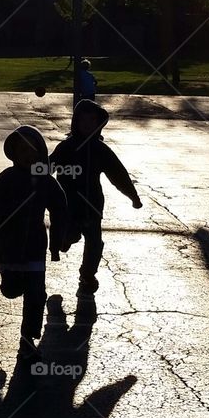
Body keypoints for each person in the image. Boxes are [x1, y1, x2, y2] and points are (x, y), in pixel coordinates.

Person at [0, 126, 68, 363]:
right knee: (12, 290)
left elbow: (60, 209)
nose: (26, 155)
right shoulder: (7, 177)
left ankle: (28, 338)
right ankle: (10, 284)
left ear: (40, 153)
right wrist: (11, 207)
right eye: (21, 150)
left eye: (32, 150)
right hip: (8, 245)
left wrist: (58, 241)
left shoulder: (45, 181)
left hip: (34, 246)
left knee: (36, 293)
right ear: (13, 153)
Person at [51, 99, 142, 295]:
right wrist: (31, 180)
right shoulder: (66, 148)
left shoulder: (101, 151)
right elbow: (47, 168)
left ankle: (87, 274)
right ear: (75, 122)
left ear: (98, 124)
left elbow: (118, 175)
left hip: (92, 205)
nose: (87, 125)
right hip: (67, 205)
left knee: (94, 242)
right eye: (83, 121)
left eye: (92, 121)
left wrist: (133, 196)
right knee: (70, 235)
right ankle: (64, 240)